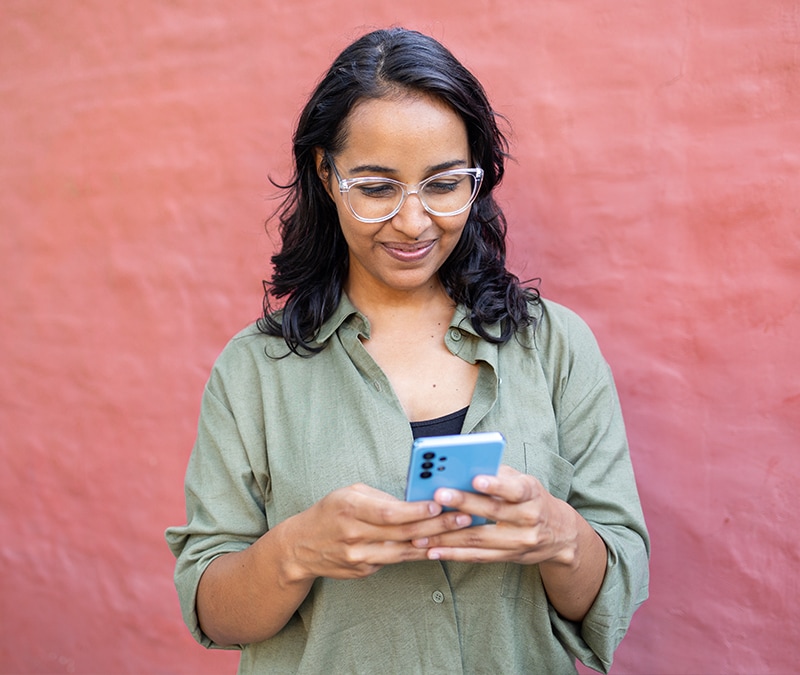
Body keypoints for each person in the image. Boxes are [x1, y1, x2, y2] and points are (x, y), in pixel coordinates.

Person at [166, 27, 649, 675]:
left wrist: (559, 536)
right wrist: (295, 550)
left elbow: (615, 583)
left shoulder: (556, 345)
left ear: (478, 177)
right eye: (376, 188)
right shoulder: (254, 370)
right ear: (326, 174)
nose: (415, 222)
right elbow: (213, 609)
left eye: (444, 184)